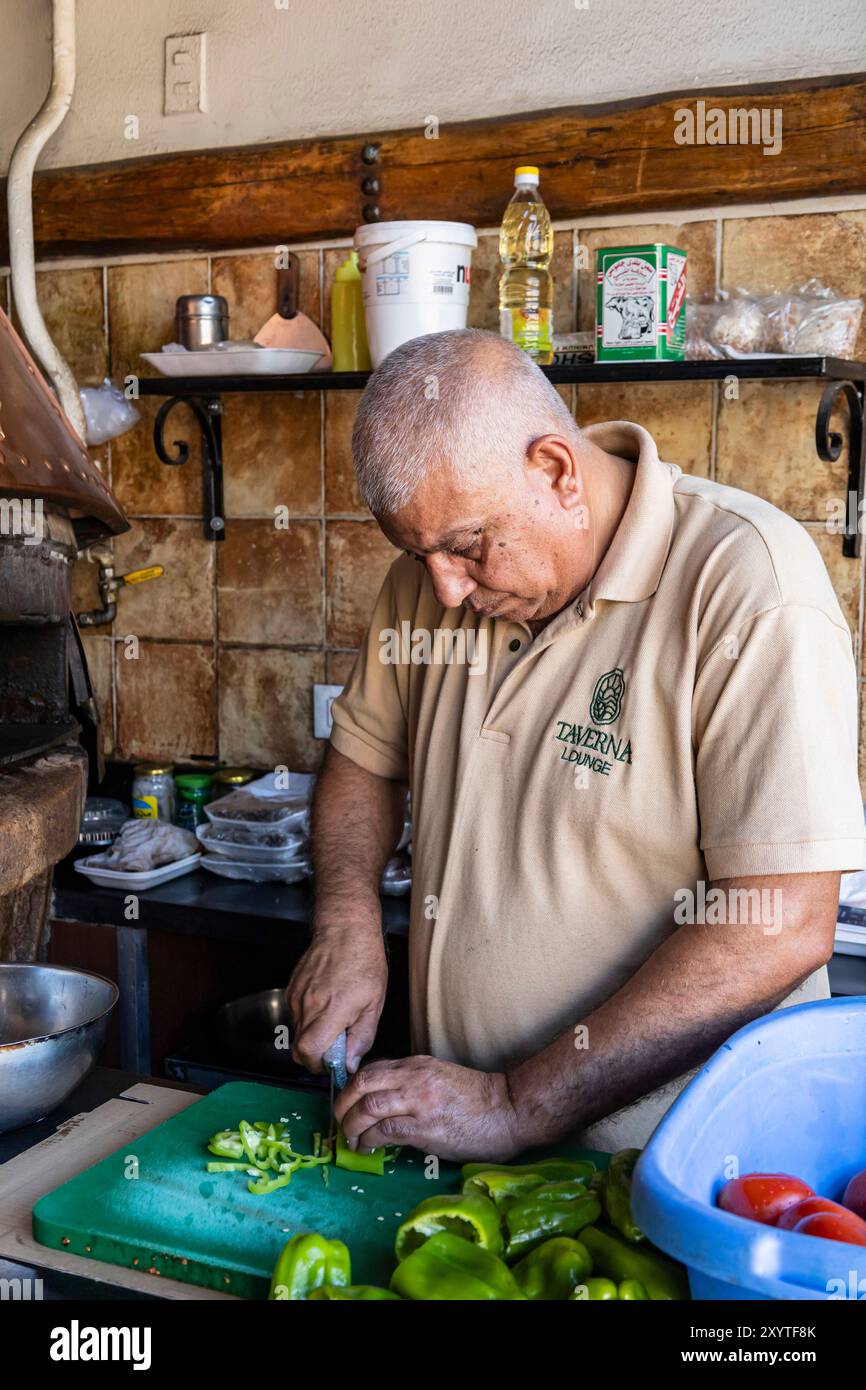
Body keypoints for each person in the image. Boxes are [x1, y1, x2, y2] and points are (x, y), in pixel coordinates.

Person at [287, 328, 865, 1161]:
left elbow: (778, 922)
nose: (444, 587)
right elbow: (363, 760)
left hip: (674, 1170)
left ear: (557, 471)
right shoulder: (432, 583)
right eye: (420, 554)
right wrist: (345, 917)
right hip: (463, 1143)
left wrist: (519, 1103)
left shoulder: (751, 584)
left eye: (465, 546)